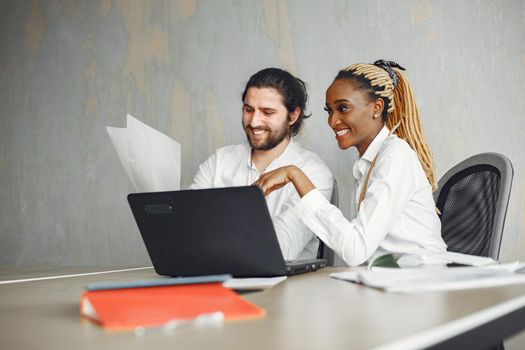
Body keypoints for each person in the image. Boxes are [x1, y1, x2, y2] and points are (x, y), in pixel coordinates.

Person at [254, 60, 447, 266]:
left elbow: (356, 250)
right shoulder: (368, 163)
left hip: (422, 285)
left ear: (376, 107)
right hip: (390, 283)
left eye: (343, 108)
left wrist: (295, 175)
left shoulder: (395, 157)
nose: (332, 121)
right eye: (329, 111)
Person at [190, 68, 334, 260]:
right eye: (249, 110)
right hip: (216, 281)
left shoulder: (313, 173)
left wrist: (215, 233)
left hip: (287, 287)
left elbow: (279, 250)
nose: (254, 121)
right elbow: (187, 231)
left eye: (267, 112)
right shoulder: (219, 161)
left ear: (292, 116)